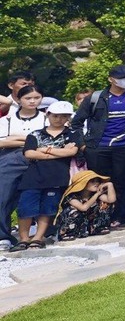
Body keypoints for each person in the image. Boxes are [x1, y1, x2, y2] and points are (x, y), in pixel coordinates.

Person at [74, 64, 125, 226]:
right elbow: (76, 123)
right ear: (110, 79)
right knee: (99, 184)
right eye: (121, 78)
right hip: (98, 147)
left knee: (122, 183)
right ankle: (99, 217)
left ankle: (119, 217)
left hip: (124, 147)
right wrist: (83, 145)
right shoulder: (95, 98)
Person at [17, 99, 81, 247]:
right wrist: (58, 152)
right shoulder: (36, 134)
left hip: (57, 177)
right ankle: (24, 239)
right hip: (34, 176)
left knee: (48, 208)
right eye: (56, 116)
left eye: (64, 116)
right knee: (26, 207)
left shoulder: (72, 134)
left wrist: (44, 150)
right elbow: (29, 153)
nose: (59, 119)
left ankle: (38, 238)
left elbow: (72, 151)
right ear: (48, 114)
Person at [0, 83, 45, 249]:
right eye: (28, 98)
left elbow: (49, 139)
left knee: (42, 194)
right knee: (3, 195)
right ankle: (3, 235)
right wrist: (31, 139)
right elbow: (2, 141)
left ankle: (43, 232)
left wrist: (17, 138)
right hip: (10, 157)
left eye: (36, 98)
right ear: (19, 99)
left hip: (41, 158)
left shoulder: (47, 118)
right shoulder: (7, 119)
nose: (32, 101)